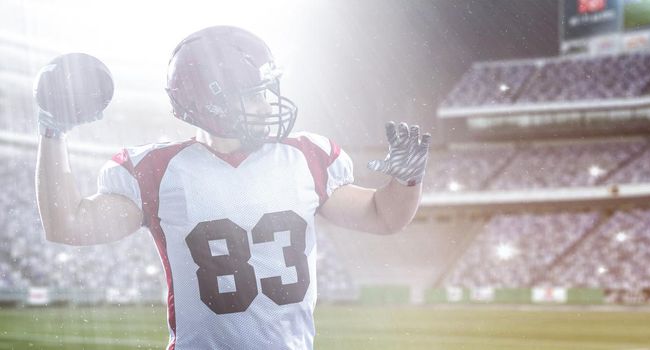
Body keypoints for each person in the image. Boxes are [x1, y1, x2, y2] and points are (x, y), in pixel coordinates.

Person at [35, 26, 429, 349]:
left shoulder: (305, 156)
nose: (266, 105)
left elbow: (384, 215)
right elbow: (68, 224)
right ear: (210, 102)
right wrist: (54, 130)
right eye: (253, 96)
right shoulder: (157, 170)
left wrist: (408, 180)